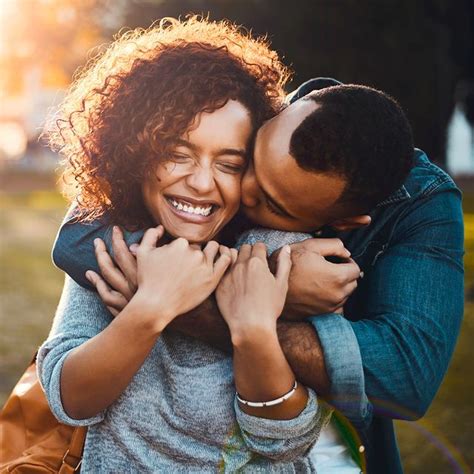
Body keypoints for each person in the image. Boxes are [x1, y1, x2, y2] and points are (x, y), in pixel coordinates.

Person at [55, 79, 464, 472]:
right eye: (249, 160)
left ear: (341, 223)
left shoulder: (410, 206)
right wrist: (264, 285)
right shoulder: (241, 119)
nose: (242, 190)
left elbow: (403, 378)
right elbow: (77, 239)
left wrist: (250, 311)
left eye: (273, 202)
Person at [37, 17, 334, 472]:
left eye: (229, 164)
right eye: (177, 154)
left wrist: (251, 329)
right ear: (135, 152)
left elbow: (286, 443)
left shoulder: (280, 253)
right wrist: (152, 306)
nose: (200, 183)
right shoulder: (113, 243)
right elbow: (70, 401)